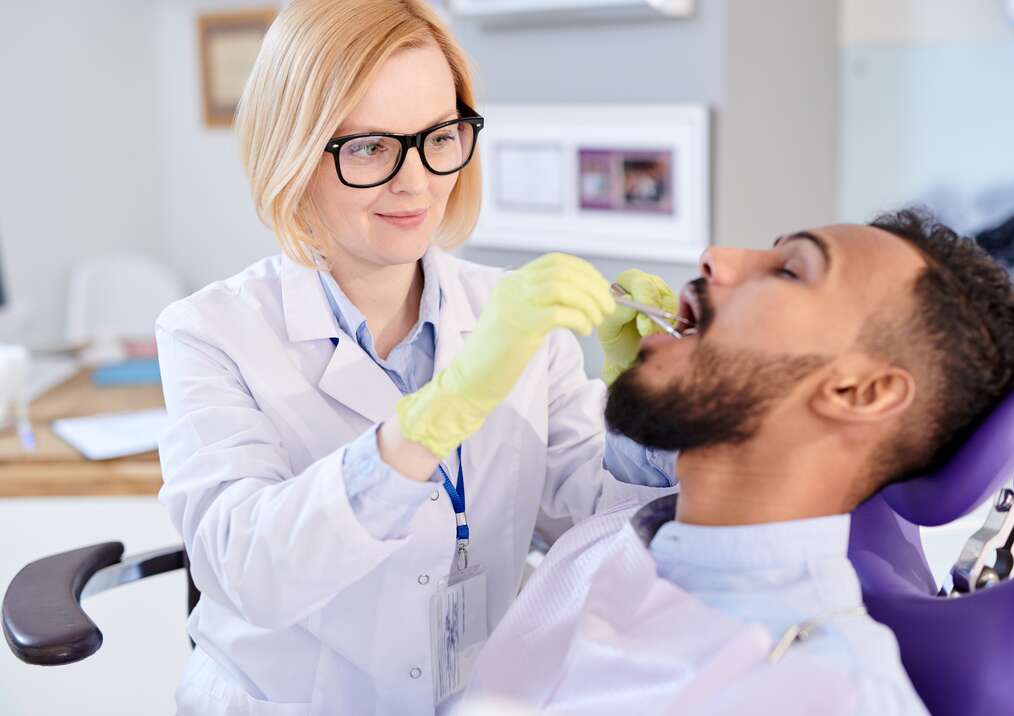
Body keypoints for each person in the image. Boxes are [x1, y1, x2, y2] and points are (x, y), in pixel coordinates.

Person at [156, 1, 678, 714]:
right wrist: (436, 416)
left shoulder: (514, 318)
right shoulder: (210, 332)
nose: (417, 181)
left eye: (439, 136)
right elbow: (248, 570)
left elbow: (592, 517)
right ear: (294, 153)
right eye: (370, 147)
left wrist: (651, 414)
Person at [465, 209, 1014, 715]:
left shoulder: (826, 691)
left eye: (789, 270)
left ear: (859, 392)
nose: (716, 256)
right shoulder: (616, 542)